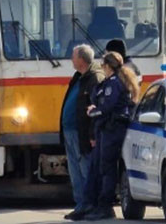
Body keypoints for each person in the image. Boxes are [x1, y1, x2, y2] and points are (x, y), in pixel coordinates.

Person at [77, 52, 140, 221]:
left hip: (113, 129)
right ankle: (99, 205)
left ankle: (105, 206)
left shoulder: (114, 83)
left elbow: (107, 107)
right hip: (107, 128)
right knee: (103, 167)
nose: (101, 68)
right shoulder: (110, 82)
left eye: (102, 65)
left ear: (107, 66)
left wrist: (92, 111)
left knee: (107, 168)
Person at [60, 44, 105, 220]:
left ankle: (89, 205)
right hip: (70, 130)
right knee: (75, 172)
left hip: (82, 133)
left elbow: (96, 109)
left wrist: (92, 134)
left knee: (86, 170)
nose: (71, 58)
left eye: (73, 56)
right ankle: (80, 205)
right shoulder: (80, 76)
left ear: (81, 59)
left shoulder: (94, 78)